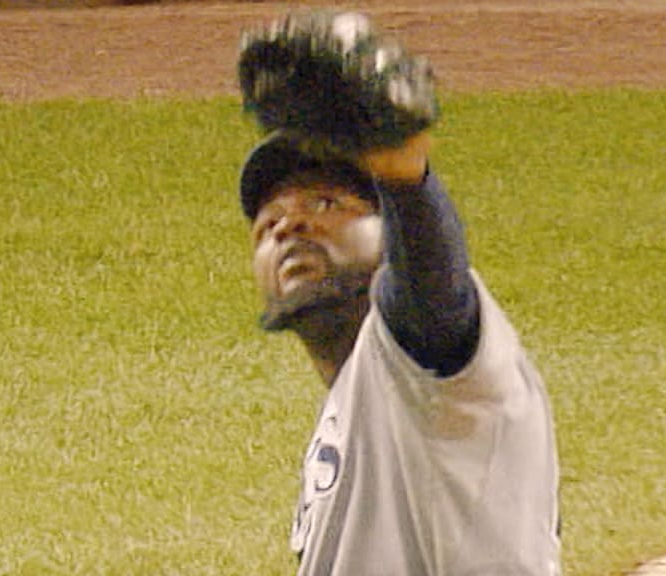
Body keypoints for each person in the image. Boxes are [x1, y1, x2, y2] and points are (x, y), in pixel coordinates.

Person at [238, 16, 561, 576]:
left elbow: (434, 288)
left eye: (325, 205)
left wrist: (403, 175)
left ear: (388, 233)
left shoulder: (430, 364)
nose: (289, 225)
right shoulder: (363, 397)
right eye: (268, 224)